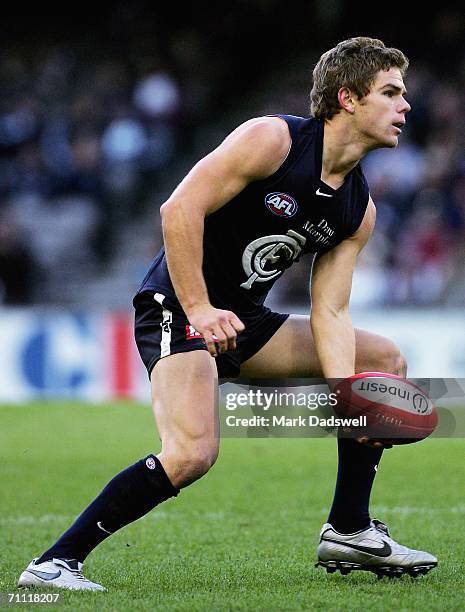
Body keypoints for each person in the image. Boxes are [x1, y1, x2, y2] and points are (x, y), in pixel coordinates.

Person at [18, 37, 437, 591]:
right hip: (177, 304)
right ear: (348, 98)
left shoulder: (359, 210)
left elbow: (330, 311)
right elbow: (179, 209)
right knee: (193, 454)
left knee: (382, 360)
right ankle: (54, 563)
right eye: (390, 92)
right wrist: (199, 307)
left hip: (243, 320)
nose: (406, 106)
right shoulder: (273, 139)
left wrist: (346, 394)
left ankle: (350, 529)